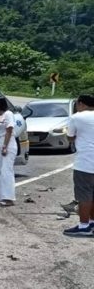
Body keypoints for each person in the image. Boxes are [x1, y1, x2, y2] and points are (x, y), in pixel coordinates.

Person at [63, 94, 94, 236]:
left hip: (85, 162)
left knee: (84, 195)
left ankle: (84, 226)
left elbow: (70, 137)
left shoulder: (76, 117)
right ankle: (92, 223)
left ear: (81, 104)